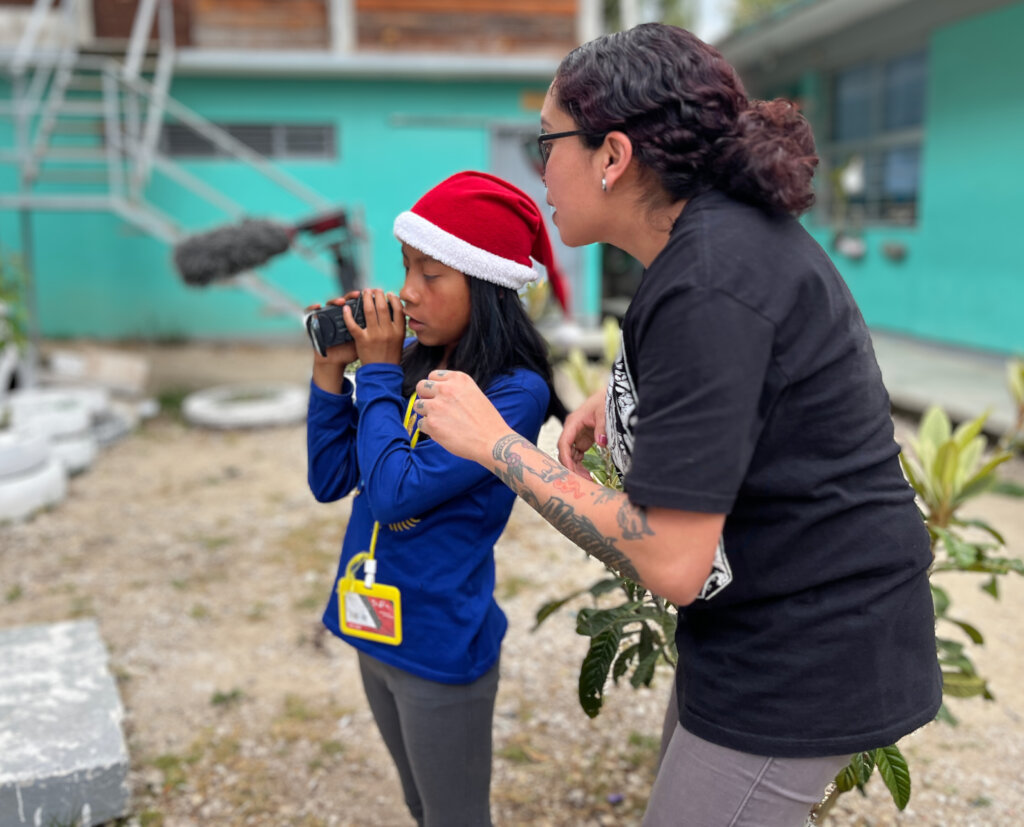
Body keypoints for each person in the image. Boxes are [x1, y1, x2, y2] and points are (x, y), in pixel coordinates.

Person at [411, 23, 942, 827]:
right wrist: (628, 397)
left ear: (613, 155)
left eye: (544, 142)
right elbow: (745, 386)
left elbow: (670, 558)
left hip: (804, 655)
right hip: (763, 626)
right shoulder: (711, 239)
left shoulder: (709, 281)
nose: (537, 167)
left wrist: (496, 445)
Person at [305, 171, 568, 827]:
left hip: (439, 647)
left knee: (454, 815)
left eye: (430, 275)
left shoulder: (515, 392)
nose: (406, 293)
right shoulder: (415, 357)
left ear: (483, 283)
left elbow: (394, 496)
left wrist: (382, 371)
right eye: (405, 270)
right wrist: (331, 371)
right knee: (419, 804)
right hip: (373, 628)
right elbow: (331, 476)